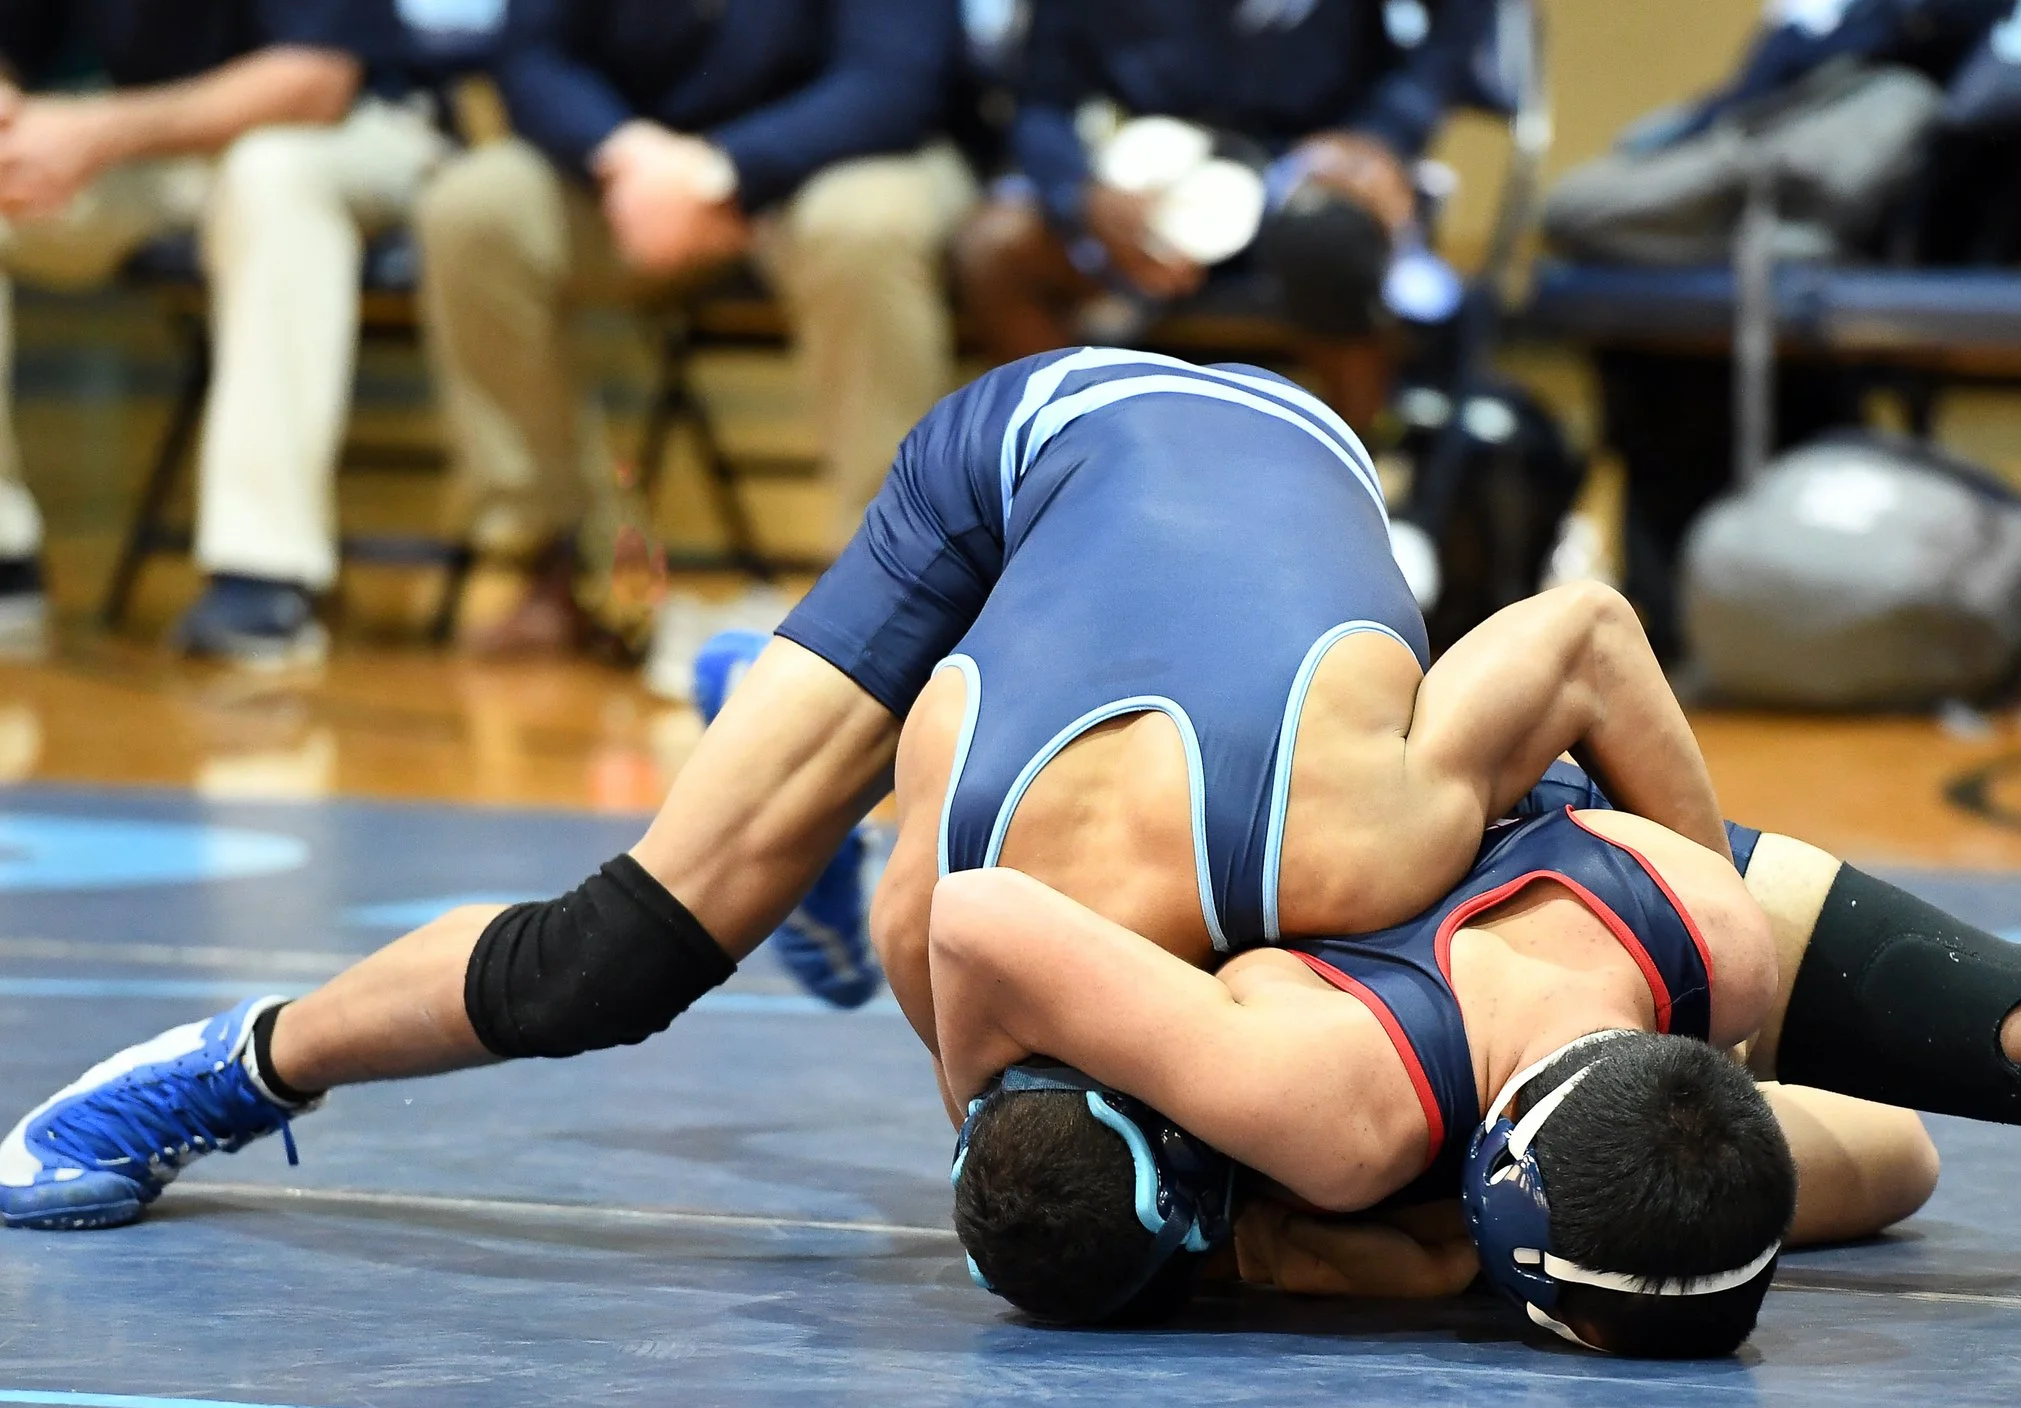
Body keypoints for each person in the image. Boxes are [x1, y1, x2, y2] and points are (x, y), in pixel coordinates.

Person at [0, 350, 1735, 1229]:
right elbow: (1584, 629)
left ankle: (797, 770)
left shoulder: (1326, 866)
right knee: (619, 956)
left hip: (1235, 481)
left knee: (739, 918)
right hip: (1033, 456)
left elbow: (1591, 636)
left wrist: (1718, 934)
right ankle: (224, 1066)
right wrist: (1721, 973)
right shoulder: (1319, 863)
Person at [938, 781, 2021, 1349]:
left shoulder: (1294, 1095)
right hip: (1544, 984)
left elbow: (958, 914)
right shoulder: (1301, 1160)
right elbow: (1900, 1160)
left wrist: (1662, 879)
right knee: (1895, 1160)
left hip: (1554, 873)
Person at [419, 0, 973, 655]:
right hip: (632, 182)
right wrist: (625, 154)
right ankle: (556, 558)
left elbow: (891, 83)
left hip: (840, 158)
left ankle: (889, 584)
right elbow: (533, 57)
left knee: (866, 229)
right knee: (473, 210)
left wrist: (721, 173)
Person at [0, 0, 441, 664]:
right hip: (153, 143)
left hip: (351, 132)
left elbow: (315, 83)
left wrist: (96, 130)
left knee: (273, 175)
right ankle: (5, 556)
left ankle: (263, 573)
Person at [951, 0, 1492, 431]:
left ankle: (1354, 484)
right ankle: (1098, 470)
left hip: (1306, 165)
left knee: (1328, 239)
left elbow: (1462, 23)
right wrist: (1080, 197)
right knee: (993, 250)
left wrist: (1387, 131)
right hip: (1150, 173)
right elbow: (1041, 99)